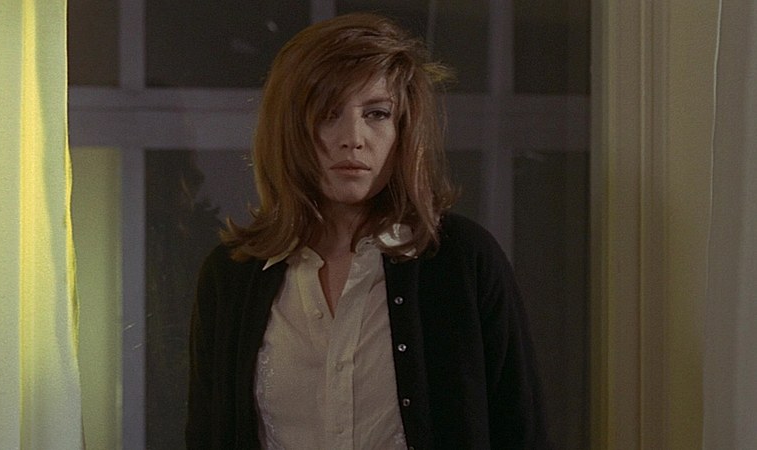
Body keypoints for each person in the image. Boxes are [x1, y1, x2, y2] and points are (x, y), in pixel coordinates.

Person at [186, 12, 548, 449]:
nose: (353, 138)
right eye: (328, 113)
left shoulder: (463, 261)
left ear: (403, 129)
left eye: (377, 113)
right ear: (289, 129)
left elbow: (522, 432)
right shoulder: (232, 277)